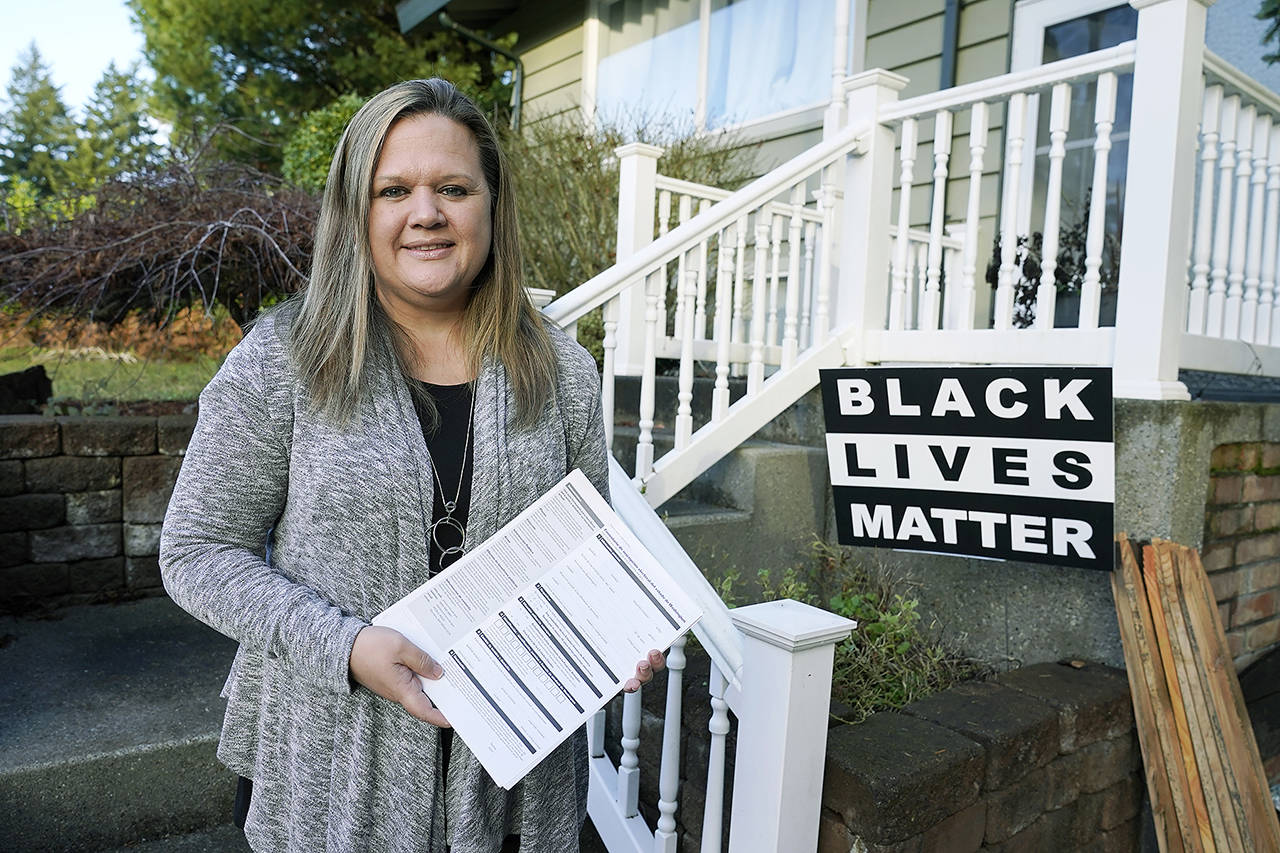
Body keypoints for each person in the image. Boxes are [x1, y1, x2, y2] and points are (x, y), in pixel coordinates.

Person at [160, 78, 665, 853]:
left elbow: (583, 554)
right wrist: (348, 646)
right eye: (393, 189)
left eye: (453, 188)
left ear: (492, 207)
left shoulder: (561, 368)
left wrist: (611, 633)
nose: (426, 212)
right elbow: (196, 551)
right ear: (356, 213)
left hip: (511, 775)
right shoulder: (284, 360)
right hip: (331, 767)